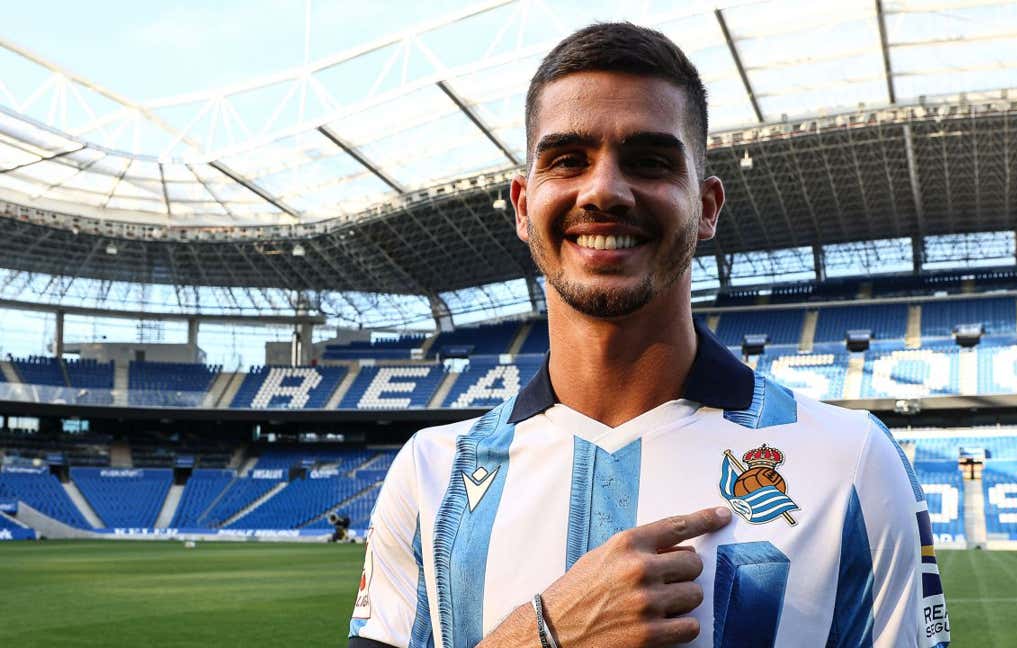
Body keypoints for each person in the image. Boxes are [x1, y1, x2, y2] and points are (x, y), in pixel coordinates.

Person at [348, 22, 951, 648]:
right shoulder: (432, 473)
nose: (604, 189)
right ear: (524, 206)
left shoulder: (851, 461)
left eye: (650, 162)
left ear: (708, 205)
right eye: (567, 160)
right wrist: (543, 636)